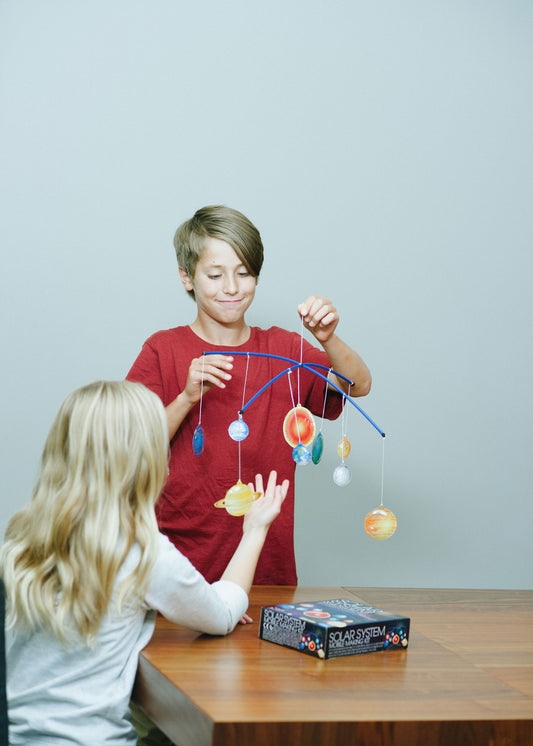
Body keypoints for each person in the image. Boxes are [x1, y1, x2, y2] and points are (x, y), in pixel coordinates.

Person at [0, 380, 288, 745]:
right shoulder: (141, 553)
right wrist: (255, 530)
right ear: (146, 461)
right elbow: (222, 615)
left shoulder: (20, 541)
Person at [127, 205, 371, 587]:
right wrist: (187, 398)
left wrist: (328, 339)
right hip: (175, 571)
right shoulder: (162, 349)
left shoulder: (284, 349)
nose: (231, 287)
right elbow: (131, 447)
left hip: (265, 567)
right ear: (187, 277)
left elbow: (358, 385)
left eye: (244, 273)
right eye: (215, 275)